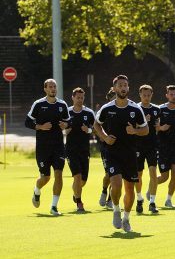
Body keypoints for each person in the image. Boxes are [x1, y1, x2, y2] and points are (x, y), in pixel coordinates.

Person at [93, 75, 148, 232]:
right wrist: (104, 137)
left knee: (130, 189)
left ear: (128, 88)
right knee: (116, 184)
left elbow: (146, 130)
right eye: (120, 85)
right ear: (115, 88)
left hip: (130, 154)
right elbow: (97, 124)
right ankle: (116, 209)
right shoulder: (107, 108)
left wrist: (135, 130)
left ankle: (126, 218)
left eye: (125, 85)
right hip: (112, 153)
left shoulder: (135, 109)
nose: (123, 88)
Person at [25, 79, 71, 215]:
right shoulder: (38, 104)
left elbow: (69, 121)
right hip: (43, 147)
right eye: (50, 87)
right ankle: (37, 190)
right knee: (45, 178)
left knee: (59, 174)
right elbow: (27, 122)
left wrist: (66, 125)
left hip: (58, 146)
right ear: (45, 89)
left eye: (54, 87)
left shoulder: (62, 105)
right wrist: (40, 127)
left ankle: (54, 207)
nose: (53, 89)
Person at [64, 87, 96, 212]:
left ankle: (75, 193)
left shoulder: (89, 113)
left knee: (83, 180)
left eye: (82, 98)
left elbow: (96, 129)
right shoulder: (67, 112)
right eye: (78, 97)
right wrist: (65, 131)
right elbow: (60, 128)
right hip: (71, 150)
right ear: (72, 97)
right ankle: (79, 202)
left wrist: (87, 130)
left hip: (84, 150)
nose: (80, 100)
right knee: (77, 176)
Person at [135, 85, 160, 214]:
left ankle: (152, 202)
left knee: (153, 172)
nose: (146, 97)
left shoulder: (156, 109)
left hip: (152, 145)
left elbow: (157, 127)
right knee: (138, 175)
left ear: (152, 94)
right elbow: (132, 129)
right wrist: (142, 122)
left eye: (148, 95)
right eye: (144, 95)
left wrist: (158, 126)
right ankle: (139, 199)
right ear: (140, 95)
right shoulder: (136, 109)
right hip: (138, 146)